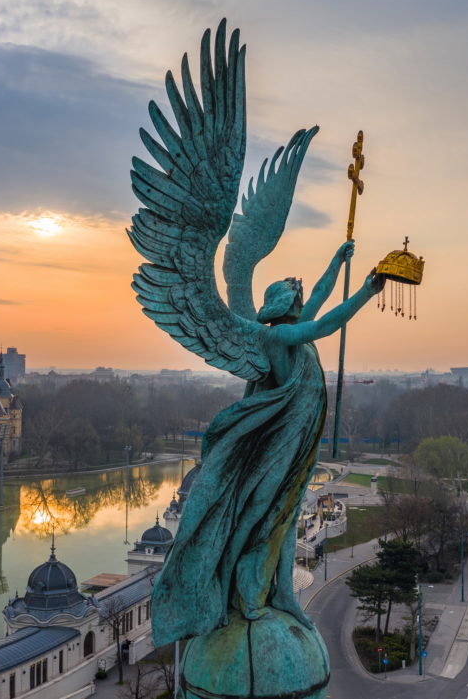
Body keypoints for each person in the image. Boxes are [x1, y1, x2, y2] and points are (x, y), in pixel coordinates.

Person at [151, 240, 385, 646]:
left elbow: (319, 298)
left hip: (298, 441)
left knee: (287, 514)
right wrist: (366, 291)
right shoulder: (278, 338)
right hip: (279, 442)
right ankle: (225, 587)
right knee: (260, 513)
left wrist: (336, 260)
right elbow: (325, 324)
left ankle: (281, 594)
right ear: (282, 307)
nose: (301, 297)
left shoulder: (291, 333)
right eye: (295, 295)